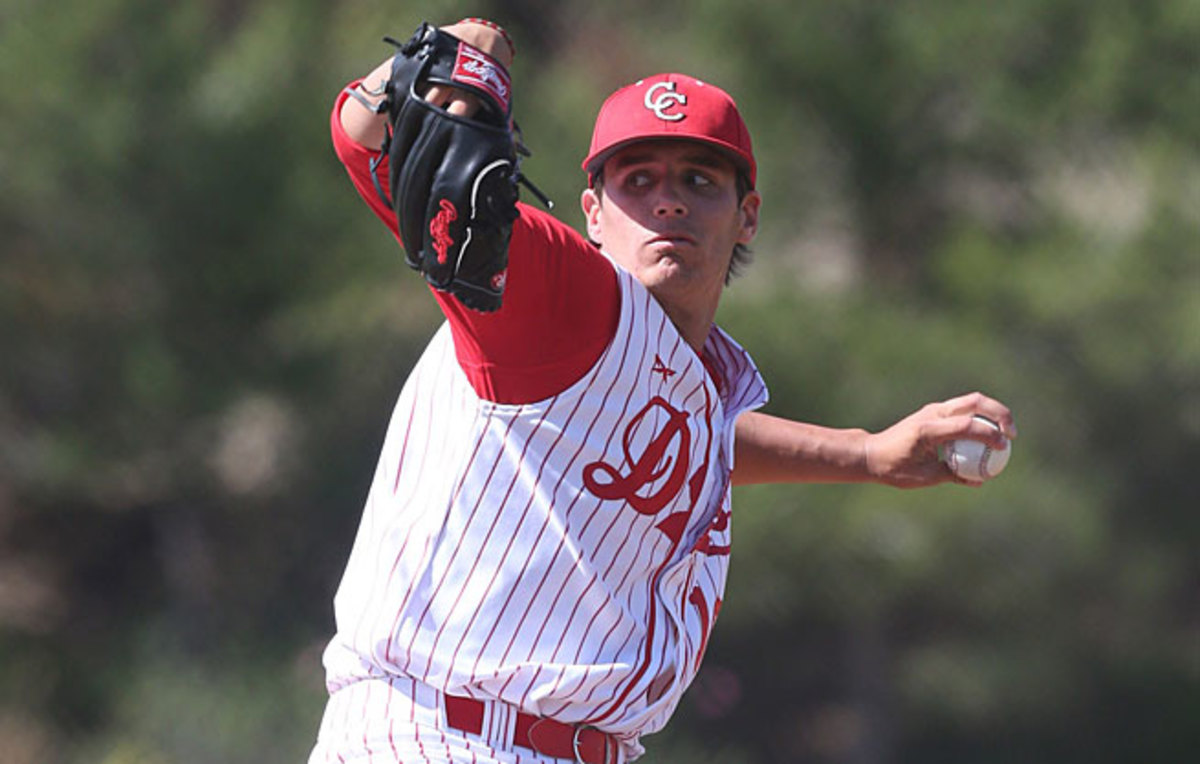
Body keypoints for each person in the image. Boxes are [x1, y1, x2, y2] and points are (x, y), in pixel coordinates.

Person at [308, 17, 1016, 764]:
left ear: (747, 216)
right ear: (592, 212)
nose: (667, 202)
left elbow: (697, 440)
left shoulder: (689, 381)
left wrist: (866, 454)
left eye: (698, 181)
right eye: (637, 181)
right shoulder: (561, 296)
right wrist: (440, 68)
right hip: (447, 737)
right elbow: (369, 144)